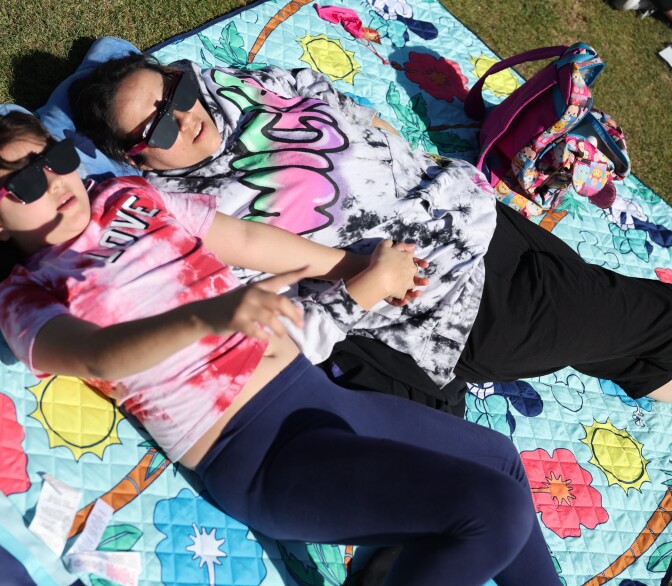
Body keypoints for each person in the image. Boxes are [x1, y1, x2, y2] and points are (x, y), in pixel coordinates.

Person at [0, 111, 594, 586]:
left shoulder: (129, 197)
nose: (59, 180)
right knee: (490, 511)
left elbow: (246, 239)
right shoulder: (28, 294)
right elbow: (95, 357)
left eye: (57, 156)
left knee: (500, 464)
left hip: (318, 398)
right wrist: (209, 317)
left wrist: (351, 266)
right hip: (258, 456)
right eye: (27, 182)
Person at [69, 53, 672, 414]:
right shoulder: (199, 212)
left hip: (475, 214)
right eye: (158, 129)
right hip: (460, 301)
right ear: (139, 161)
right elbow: (279, 305)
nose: (182, 117)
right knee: (652, 317)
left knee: (627, 338)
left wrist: (384, 136)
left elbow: (314, 86)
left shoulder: (233, 88)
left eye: (173, 92)